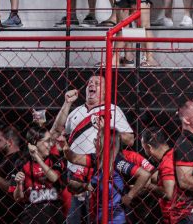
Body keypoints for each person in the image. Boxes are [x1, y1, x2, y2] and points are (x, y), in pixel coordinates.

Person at [50, 77, 134, 224]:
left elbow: (130, 139)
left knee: (96, 218)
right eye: (89, 83)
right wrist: (67, 103)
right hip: (74, 174)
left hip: (97, 173)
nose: (91, 85)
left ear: (105, 90)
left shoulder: (112, 109)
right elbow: (55, 132)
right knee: (73, 219)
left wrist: (107, 129)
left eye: (97, 83)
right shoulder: (76, 111)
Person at [63, 129, 152, 224]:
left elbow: (144, 174)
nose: (95, 141)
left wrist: (130, 196)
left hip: (116, 219)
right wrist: (65, 148)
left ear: (106, 143)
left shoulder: (117, 162)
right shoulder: (96, 160)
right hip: (99, 217)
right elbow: (74, 158)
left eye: (98, 138)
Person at [13, 127, 63, 223]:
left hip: (54, 217)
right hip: (31, 218)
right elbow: (17, 198)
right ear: (35, 143)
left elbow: (54, 178)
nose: (50, 145)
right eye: (47, 141)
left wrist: (36, 157)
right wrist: (19, 184)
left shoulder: (55, 159)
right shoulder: (21, 163)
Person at [140, 127, 176, 219]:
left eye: (144, 148)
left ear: (149, 147)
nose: (145, 152)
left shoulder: (167, 163)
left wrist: (148, 186)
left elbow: (169, 193)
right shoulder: (174, 154)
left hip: (178, 217)